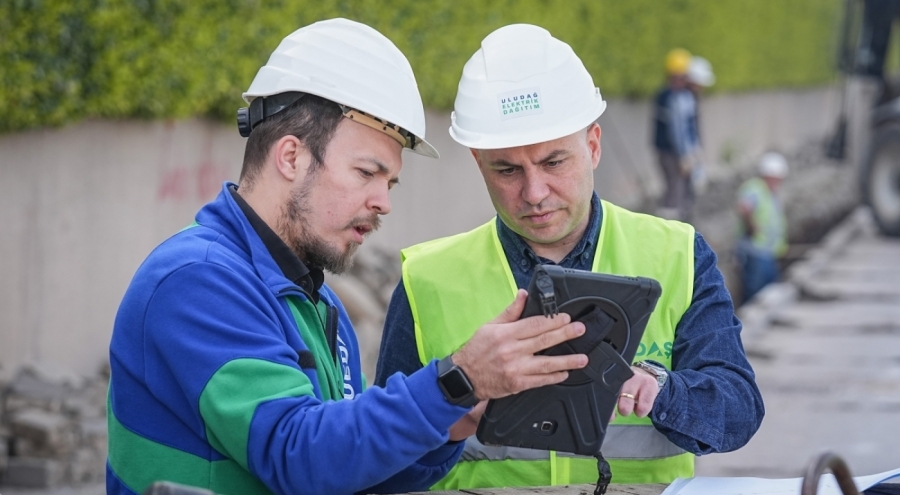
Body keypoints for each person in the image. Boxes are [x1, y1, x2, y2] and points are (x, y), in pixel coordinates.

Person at [107, 19, 591, 495]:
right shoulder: (197, 280)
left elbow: (352, 468)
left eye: (389, 182)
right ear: (291, 157)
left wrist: (454, 420)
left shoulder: (320, 305)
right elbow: (299, 456)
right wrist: (456, 381)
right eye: (366, 173)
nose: (383, 202)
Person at [376, 24, 764, 489]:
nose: (534, 193)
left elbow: (738, 410)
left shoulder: (677, 253)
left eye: (553, 162)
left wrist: (662, 390)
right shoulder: (427, 279)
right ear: (479, 163)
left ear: (593, 146)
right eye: (507, 170)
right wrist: (450, 408)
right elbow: (384, 460)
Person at [653, 48, 702, 221]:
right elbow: (677, 129)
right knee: (675, 190)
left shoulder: (670, 95)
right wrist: (684, 155)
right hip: (671, 153)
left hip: (671, 151)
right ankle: (671, 222)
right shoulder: (673, 98)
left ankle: (678, 219)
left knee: (679, 189)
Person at [735, 152, 789, 303]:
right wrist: (752, 227)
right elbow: (744, 208)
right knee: (755, 293)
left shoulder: (771, 194)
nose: (778, 182)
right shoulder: (755, 188)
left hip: (768, 253)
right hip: (755, 252)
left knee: (769, 292)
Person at [685, 56, 716, 195]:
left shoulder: (692, 98)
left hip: (690, 150)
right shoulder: (685, 99)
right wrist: (686, 154)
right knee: (680, 190)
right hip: (685, 152)